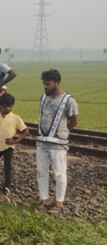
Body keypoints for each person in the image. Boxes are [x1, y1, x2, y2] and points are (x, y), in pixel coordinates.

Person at [36, 69, 78, 214]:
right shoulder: (43, 97)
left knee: (59, 173)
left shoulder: (69, 101)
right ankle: (44, 199)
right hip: (41, 142)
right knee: (41, 172)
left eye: (48, 84)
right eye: (44, 84)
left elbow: (73, 121)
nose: (45, 86)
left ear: (57, 83)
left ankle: (59, 202)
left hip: (58, 144)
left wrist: (63, 133)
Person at [0, 93, 29, 203]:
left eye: (9, 106)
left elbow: (25, 131)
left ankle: (5, 191)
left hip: (8, 147)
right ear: (0, 105)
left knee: (7, 168)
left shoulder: (15, 118)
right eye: (5, 106)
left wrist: (15, 141)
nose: (7, 109)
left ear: (12, 106)